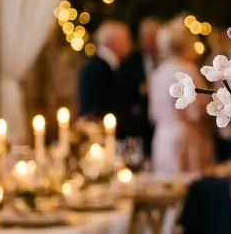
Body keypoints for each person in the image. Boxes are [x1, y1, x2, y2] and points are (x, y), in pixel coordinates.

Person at [148, 19, 213, 175]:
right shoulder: (187, 71)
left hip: (162, 137)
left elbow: (153, 113)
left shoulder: (158, 72)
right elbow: (195, 112)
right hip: (185, 139)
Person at [117, 18, 162, 158]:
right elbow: (122, 92)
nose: (149, 41)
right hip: (140, 125)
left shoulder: (168, 60)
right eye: (146, 37)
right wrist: (140, 90)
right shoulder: (130, 63)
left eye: (153, 37)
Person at [78, 20, 131, 119]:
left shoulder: (104, 66)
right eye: (126, 39)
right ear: (113, 42)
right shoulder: (99, 69)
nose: (129, 44)